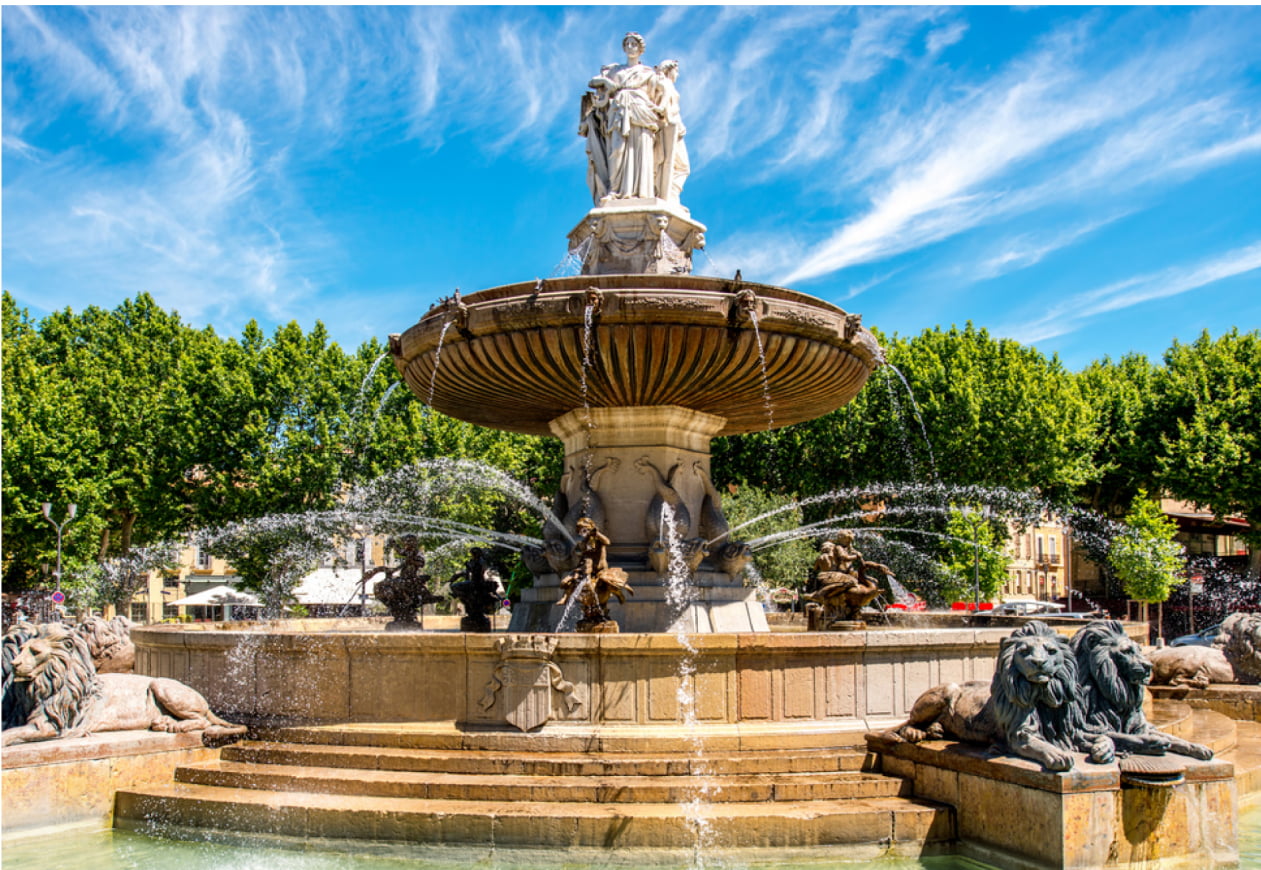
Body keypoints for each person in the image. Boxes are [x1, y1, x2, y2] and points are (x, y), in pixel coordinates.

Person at [585, 32, 666, 201]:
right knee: (617, 150)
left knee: (641, 150)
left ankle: (644, 191)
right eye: (627, 44)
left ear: (641, 49)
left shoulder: (648, 72)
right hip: (619, 112)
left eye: (634, 44)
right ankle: (616, 190)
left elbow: (660, 92)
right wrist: (606, 82)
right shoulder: (616, 70)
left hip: (642, 112)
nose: (630, 47)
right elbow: (592, 82)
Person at [654, 59, 690, 204]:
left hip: (673, 128)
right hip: (670, 128)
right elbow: (665, 107)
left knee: (674, 164)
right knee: (682, 166)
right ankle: (671, 194)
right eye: (676, 70)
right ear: (669, 70)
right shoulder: (666, 85)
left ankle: (669, 193)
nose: (678, 74)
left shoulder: (664, 85)